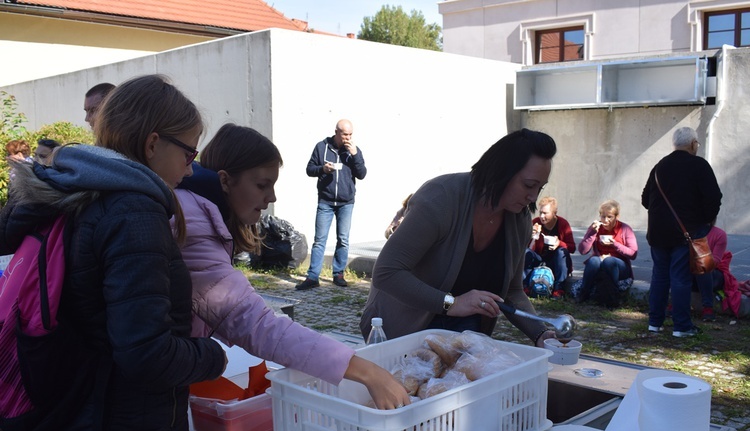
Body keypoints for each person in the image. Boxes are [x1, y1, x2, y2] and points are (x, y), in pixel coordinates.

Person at [0, 74, 227, 431]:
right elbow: (145, 353)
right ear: (153, 143)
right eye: (189, 151)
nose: (191, 167)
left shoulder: (73, 190)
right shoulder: (132, 214)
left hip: (75, 416)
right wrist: (212, 355)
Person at [176, 123, 409, 409]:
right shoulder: (194, 222)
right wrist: (367, 372)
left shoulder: (197, 211)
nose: (271, 197)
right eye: (262, 185)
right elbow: (254, 323)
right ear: (225, 181)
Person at [359, 128, 560, 347]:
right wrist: (451, 304)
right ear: (501, 172)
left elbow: (512, 291)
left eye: (539, 188)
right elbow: (387, 272)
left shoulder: (518, 219)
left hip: (462, 339)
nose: (533, 196)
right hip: (400, 332)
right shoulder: (441, 197)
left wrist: (540, 333)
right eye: (529, 185)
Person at [641, 126, 722, 338]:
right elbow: (714, 198)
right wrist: (704, 222)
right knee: (680, 278)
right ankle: (681, 327)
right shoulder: (699, 165)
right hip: (686, 233)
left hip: (658, 233)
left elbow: (645, 199)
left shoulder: (659, 166)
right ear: (694, 144)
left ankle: (654, 323)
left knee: (659, 277)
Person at [296, 119, 366, 290]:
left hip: (346, 202)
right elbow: (309, 169)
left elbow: (362, 173)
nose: (348, 138)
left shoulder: (354, 151)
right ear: (336, 132)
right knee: (319, 240)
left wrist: (355, 155)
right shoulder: (322, 147)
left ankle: (339, 274)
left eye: (350, 134)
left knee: (343, 239)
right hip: (326, 201)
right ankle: (313, 277)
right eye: (345, 134)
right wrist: (323, 169)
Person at [575, 199, 638, 304]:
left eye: (610, 217)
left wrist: (615, 244)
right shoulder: (596, 228)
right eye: (603, 216)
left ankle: (612, 298)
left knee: (609, 261)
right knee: (593, 260)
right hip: (600, 263)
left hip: (619, 266)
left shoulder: (625, 229)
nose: (606, 220)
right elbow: (582, 250)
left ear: (616, 217)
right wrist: (592, 232)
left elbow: (633, 253)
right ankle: (583, 294)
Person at [523, 196, 575, 298]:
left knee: (561, 251)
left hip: (556, 261)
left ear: (554, 213)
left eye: (545, 213)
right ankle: (526, 285)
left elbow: (572, 248)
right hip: (540, 259)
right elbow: (526, 247)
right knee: (526, 252)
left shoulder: (563, 224)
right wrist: (531, 237)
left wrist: (559, 243)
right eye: (541, 212)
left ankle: (559, 289)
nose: (542, 216)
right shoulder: (536, 223)